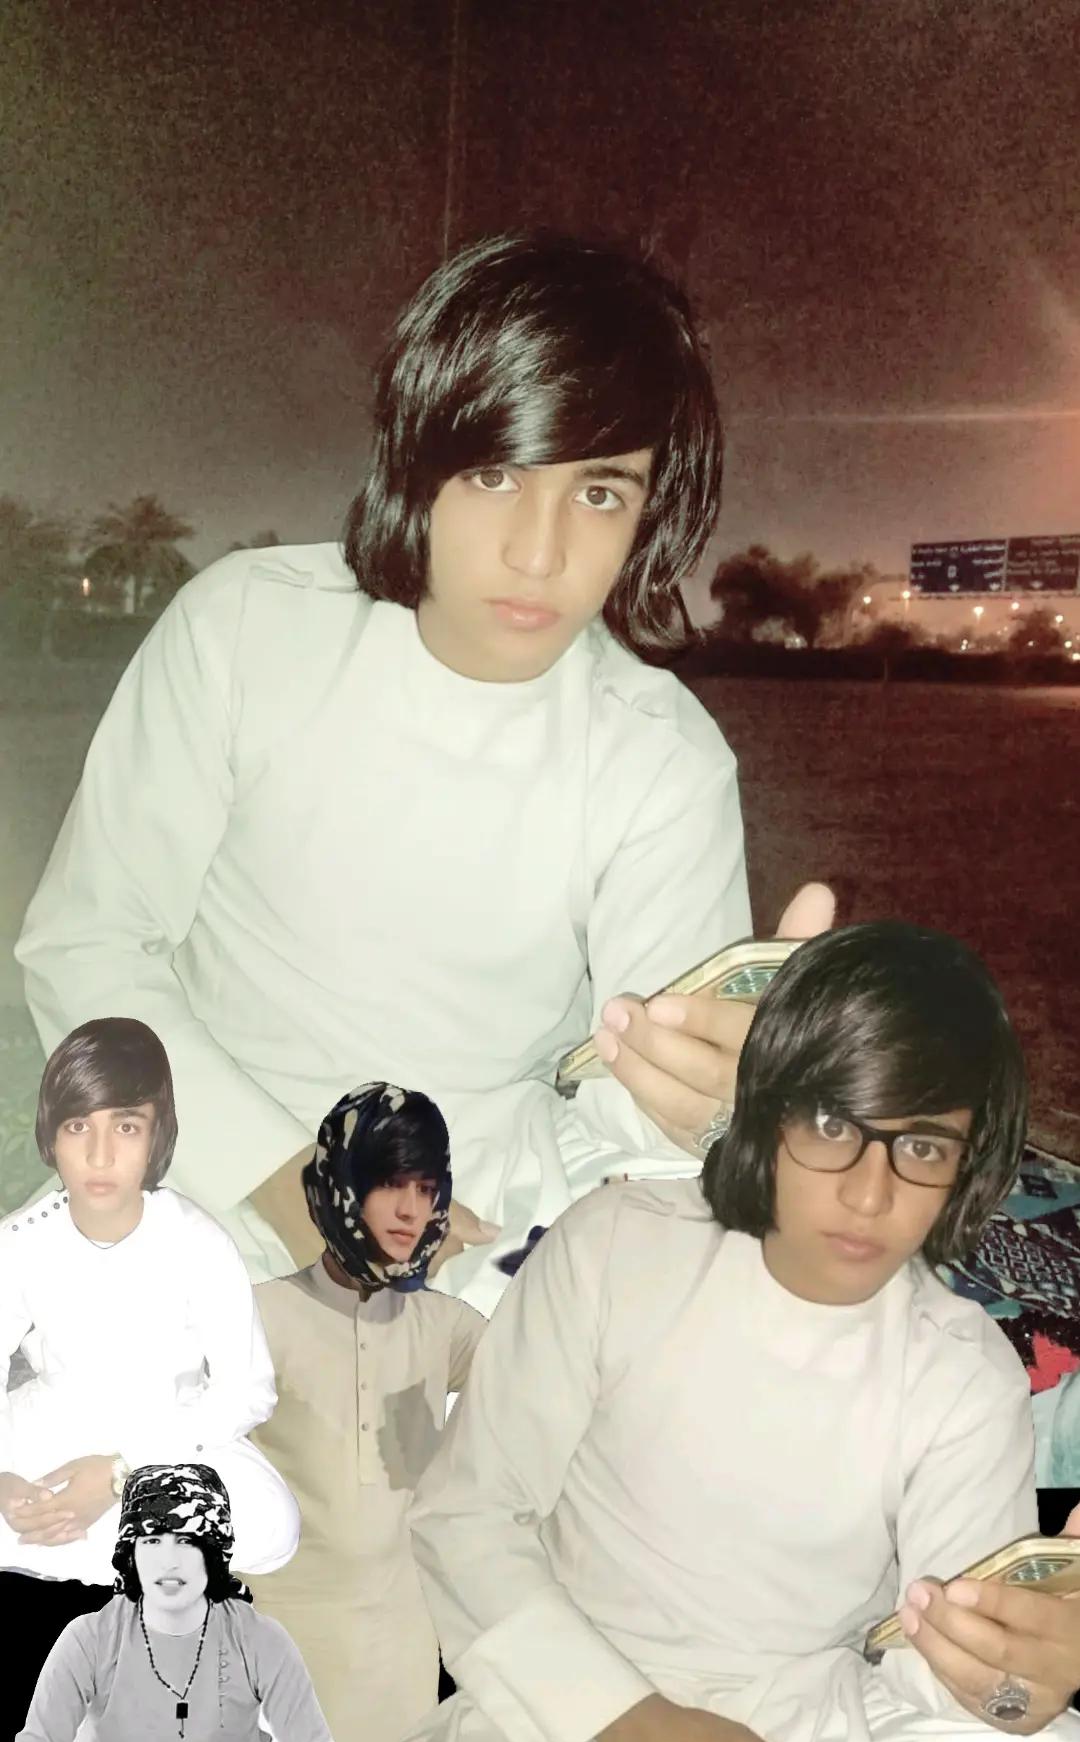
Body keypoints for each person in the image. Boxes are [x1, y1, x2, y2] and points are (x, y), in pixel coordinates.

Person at [14, 230, 833, 1316]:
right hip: (195, 1166)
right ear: (417, 460)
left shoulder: (661, 757)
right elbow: (89, 946)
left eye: (599, 493)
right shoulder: (245, 630)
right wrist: (306, 1200)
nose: (539, 553)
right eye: (495, 474)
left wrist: (710, 1099)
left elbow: (637, 1105)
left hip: (482, 1224)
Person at [351, 923, 1080, 1742]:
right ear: (766, 1109)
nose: (869, 1193)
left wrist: (1016, 1685)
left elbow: (947, 1674)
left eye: (920, 1146)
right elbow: (466, 1518)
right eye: (833, 1125)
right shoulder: (613, 1248)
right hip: (557, 1722)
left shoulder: (963, 1372)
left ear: (968, 1164)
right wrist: (633, 1725)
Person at [0, 1017, 299, 1742]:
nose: (100, 1156)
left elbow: (247, 1390)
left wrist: (121, 1475)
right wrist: (3, 1481)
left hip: (168, 1431)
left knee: (271, 1522)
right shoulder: (20, 1243)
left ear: (157, 1133)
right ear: (52, 1135)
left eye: (125, 1127)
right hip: (52, 1423)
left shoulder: (197, 1241)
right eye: (79, 1128)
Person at [248, 1083, 485, 1742]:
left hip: (402, 1646)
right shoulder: (261, 1317)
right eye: (390, 1184)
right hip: (282, 1641)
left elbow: (545, 1380)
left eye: (426, 1188)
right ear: (341, 1185)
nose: (411, 1209)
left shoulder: (443, 1326)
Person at [0, 1462, 357, 1742]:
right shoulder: (89, 1635)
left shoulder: (259, 1637)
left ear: (214, 1548)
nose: (168, 1561)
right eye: (152, 1540)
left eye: (186, 1541)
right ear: (130, 1551)